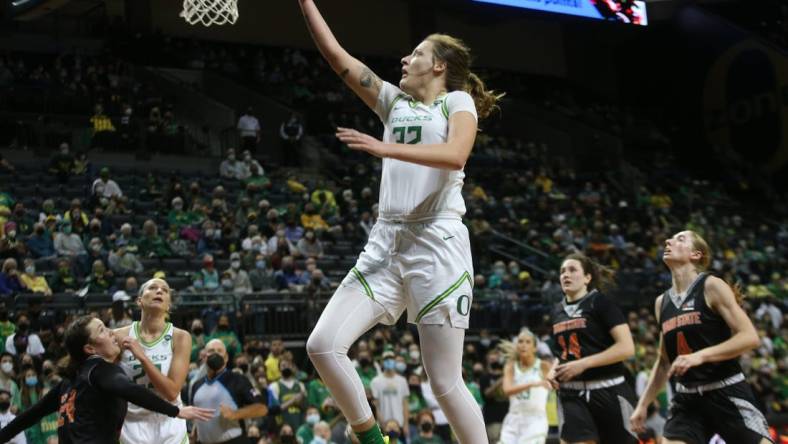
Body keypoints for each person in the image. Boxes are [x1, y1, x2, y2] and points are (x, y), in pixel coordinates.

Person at [299, 1, 502, 443]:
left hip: (438, 241)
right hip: (386, 241)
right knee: (322, 345)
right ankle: (373, 438)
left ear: (439, 66)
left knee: (444, 382)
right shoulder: (394, 103)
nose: (405, 61)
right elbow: (337, 57)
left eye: (416, 54)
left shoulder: (456, 101)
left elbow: (455, 156)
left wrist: (383, 148)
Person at [630, 230, 772, 444]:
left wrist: (700, 356)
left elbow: (749, 337)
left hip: (726, 392)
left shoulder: (711, 286)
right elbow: (663, 362)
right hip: (688, 399)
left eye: (680, 239)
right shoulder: (661, 303)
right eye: (670, 238)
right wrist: (642, 404)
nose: (668, 241)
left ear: (696, 254)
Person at [0, 316, 213, 444]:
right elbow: (130, 390)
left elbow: (30, 415)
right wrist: (175, 411)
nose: (111, 332)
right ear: (90, 349)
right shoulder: (100, 370)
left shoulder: (70, 382)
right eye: (102, 330)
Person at [546, 253, 638, 444]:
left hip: (609, 389)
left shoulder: (601, 303)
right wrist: (554, 368)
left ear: (588, 278)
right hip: (571, 394)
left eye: (572, 270)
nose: (566, 275)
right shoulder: (556, 310)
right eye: (562, 271)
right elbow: (562, 353)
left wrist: (583, 364)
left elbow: (627, 347)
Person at [114, 278, 193, 444]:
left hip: (170, 426)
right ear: (139, 301)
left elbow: (171, 393)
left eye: (165, 290)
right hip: (131, 427)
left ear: (168, 305)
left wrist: (142, 356)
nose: (160, 291)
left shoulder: (180, 337)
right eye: (153, 288)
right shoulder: (118, 336)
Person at [190, 339, 274, 444]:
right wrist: (195, 431)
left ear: (226, 358)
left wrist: (235, 414)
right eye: (211, 351)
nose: (215, 353)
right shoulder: (196, 385)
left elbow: (262, 408)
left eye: (219, 351)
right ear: (204, 356)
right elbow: (198, 415)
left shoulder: (237, 379)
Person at [498, 328, 551, 444]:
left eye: (528, 342)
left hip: (535, 419)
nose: (523, 345)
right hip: (513, 418)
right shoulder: (510, 366)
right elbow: (507, 390)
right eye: (520, 341)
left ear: (535, 348)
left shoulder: (543, 366)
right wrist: (532, 384)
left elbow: (554, 385)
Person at [370, 351, 409, 433]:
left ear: (395, 361)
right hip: (383, 426)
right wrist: (383, 425)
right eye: (386, 359)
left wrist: (406, 424)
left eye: (391, 359)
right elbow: (375, 406)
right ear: (382, 362)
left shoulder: (402, 381)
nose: (389, 361)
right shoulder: (375, 381)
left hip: (400, 425)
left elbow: (405, 404)